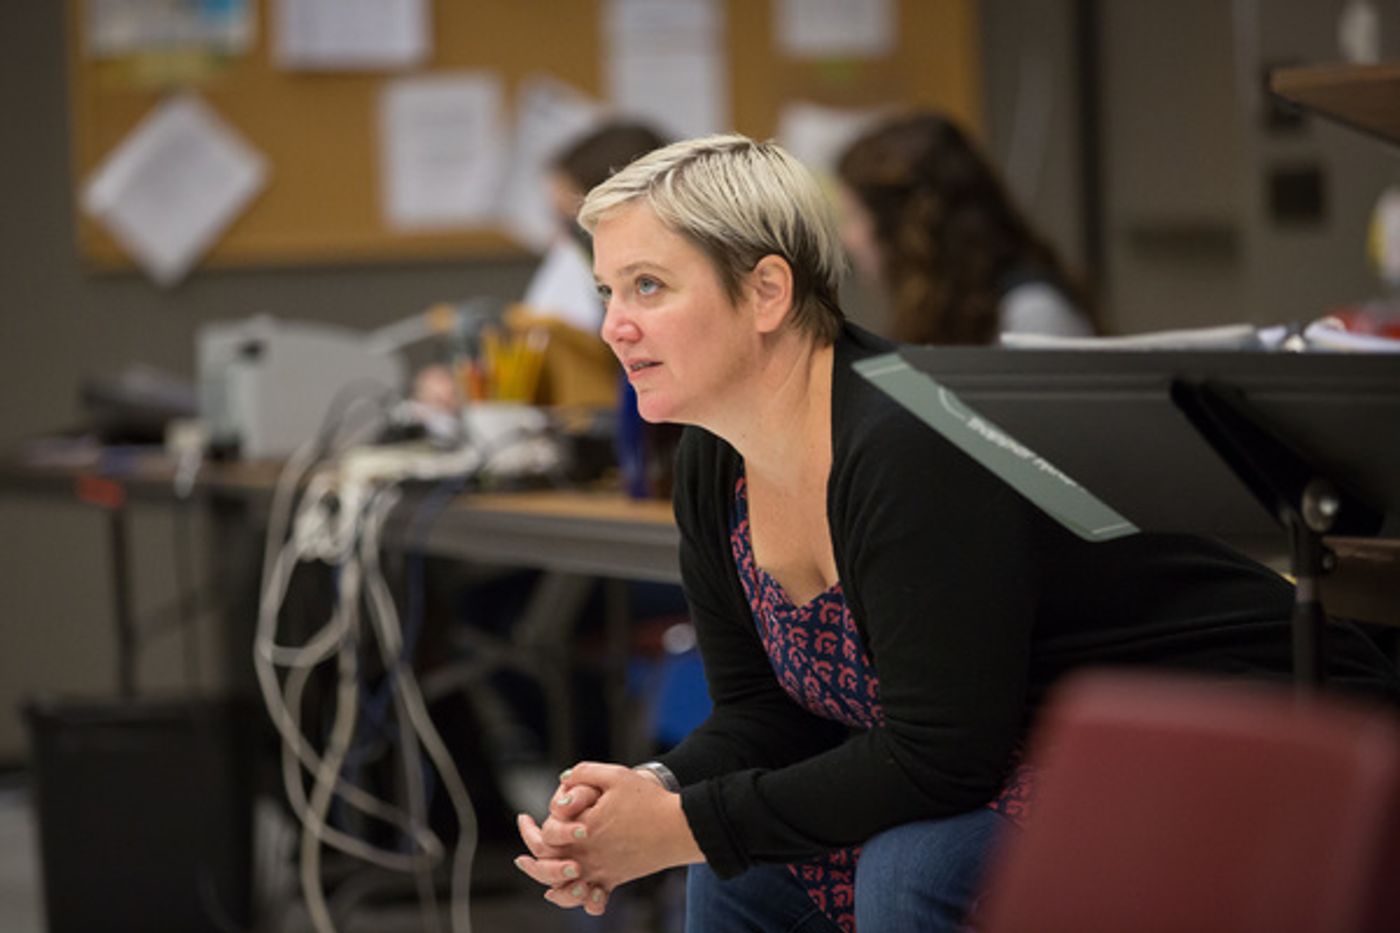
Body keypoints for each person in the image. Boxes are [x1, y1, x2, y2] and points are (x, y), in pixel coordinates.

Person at [511, 134, 1399, 932]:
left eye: (649, 286)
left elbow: (942, 757)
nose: (612, 325)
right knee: (736, 877)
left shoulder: (904, 441)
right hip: (1016, 744)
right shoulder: (715, 460)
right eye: (607, 290)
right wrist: (649, 793)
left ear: (767, 291)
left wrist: (688, 826)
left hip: (1219, 716)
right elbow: (761, 713)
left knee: (913, 866)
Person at [836, 111, 1096, 345]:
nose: (849, 238)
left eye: (855, 215)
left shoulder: (1033, 314)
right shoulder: (940, 314)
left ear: (908, 229)